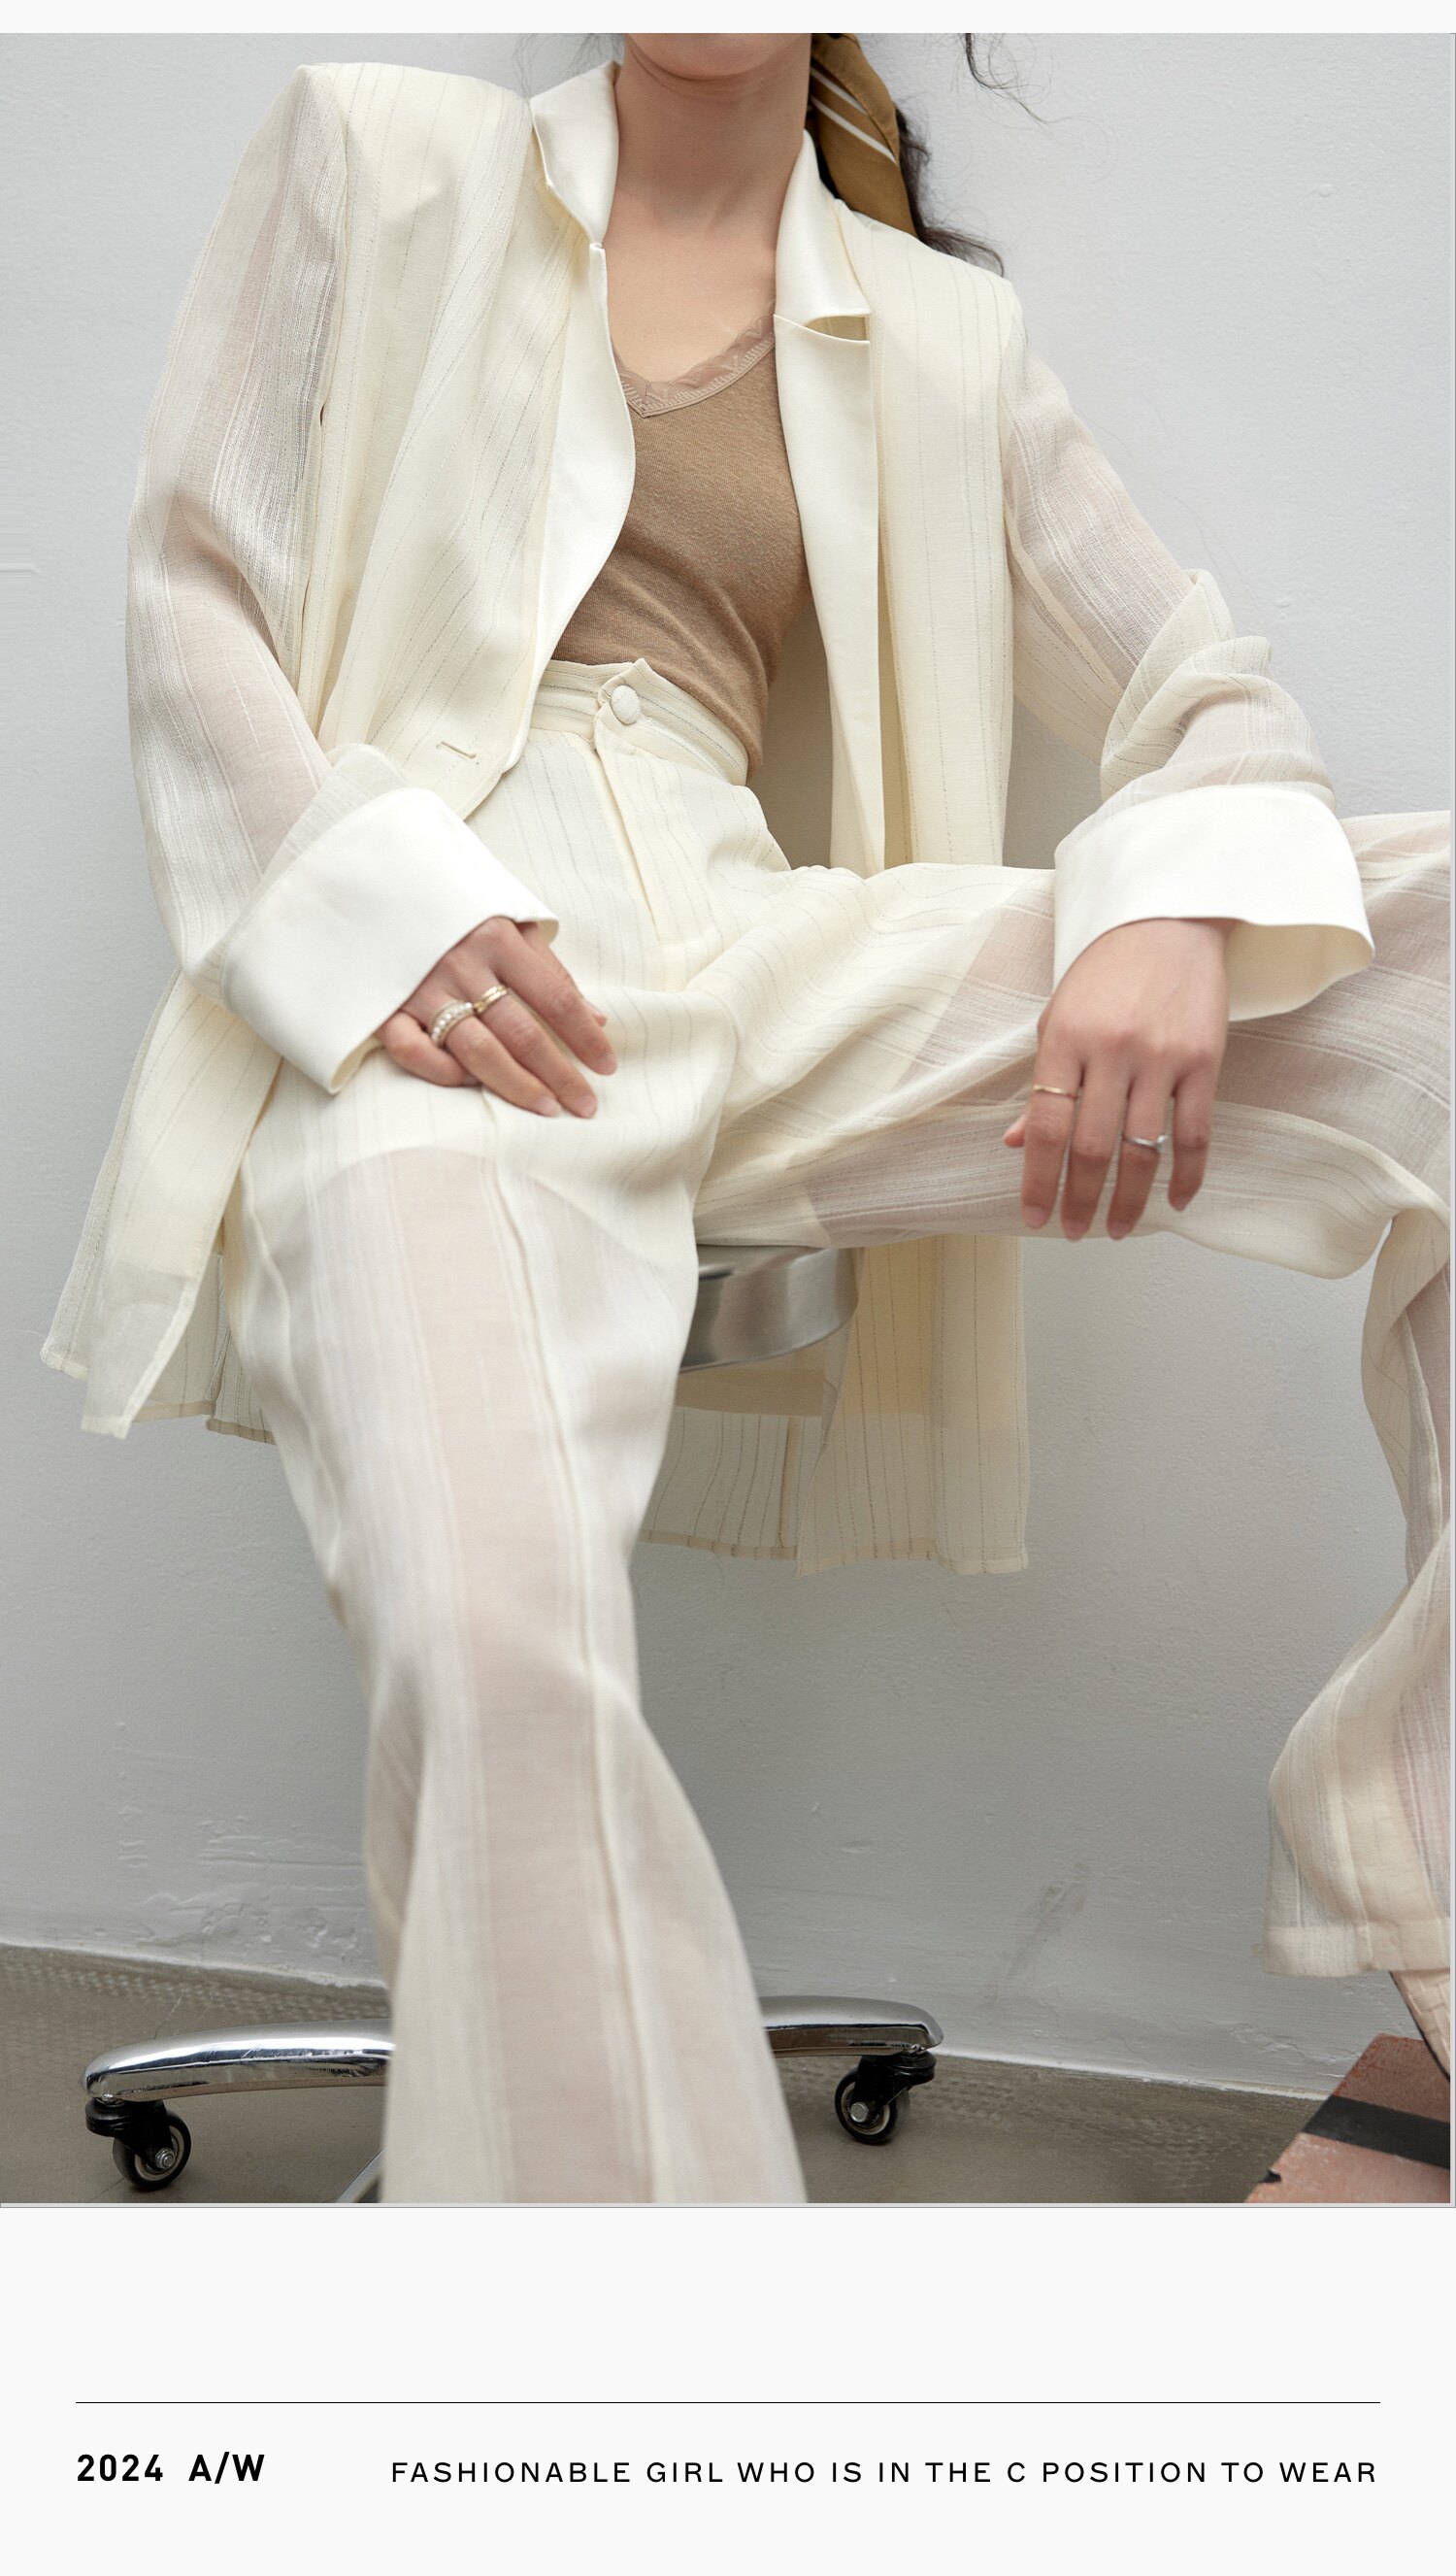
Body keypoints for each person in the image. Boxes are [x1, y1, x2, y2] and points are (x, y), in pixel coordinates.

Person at [43, 35, 1450, 2200]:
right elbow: (192, 594)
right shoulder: (377, 153)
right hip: (443, 994)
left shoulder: (940, 336)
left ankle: (1426, 1890)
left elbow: (1202, 686)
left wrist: (1172, 900)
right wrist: (371, 910)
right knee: (494, 1636)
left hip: (762, 950)